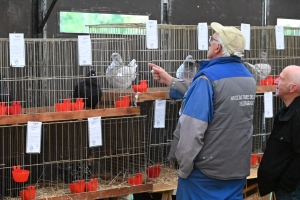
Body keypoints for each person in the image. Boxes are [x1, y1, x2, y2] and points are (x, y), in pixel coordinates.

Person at [149, 22, 256, 199]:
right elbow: (220, 93)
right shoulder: (248, 78)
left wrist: (184, 168)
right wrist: (172, 81)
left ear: (218, 48)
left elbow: (192, 131)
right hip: (236, 169)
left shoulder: (207, 79)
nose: (209, 43)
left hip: (204, 175)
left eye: (211, 40)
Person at [258, 65, 300, 199]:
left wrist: (286, 183)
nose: (276, 81)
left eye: (281, 79)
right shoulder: (285, 112)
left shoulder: (298, 114)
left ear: (292, 88)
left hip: (292, 190)